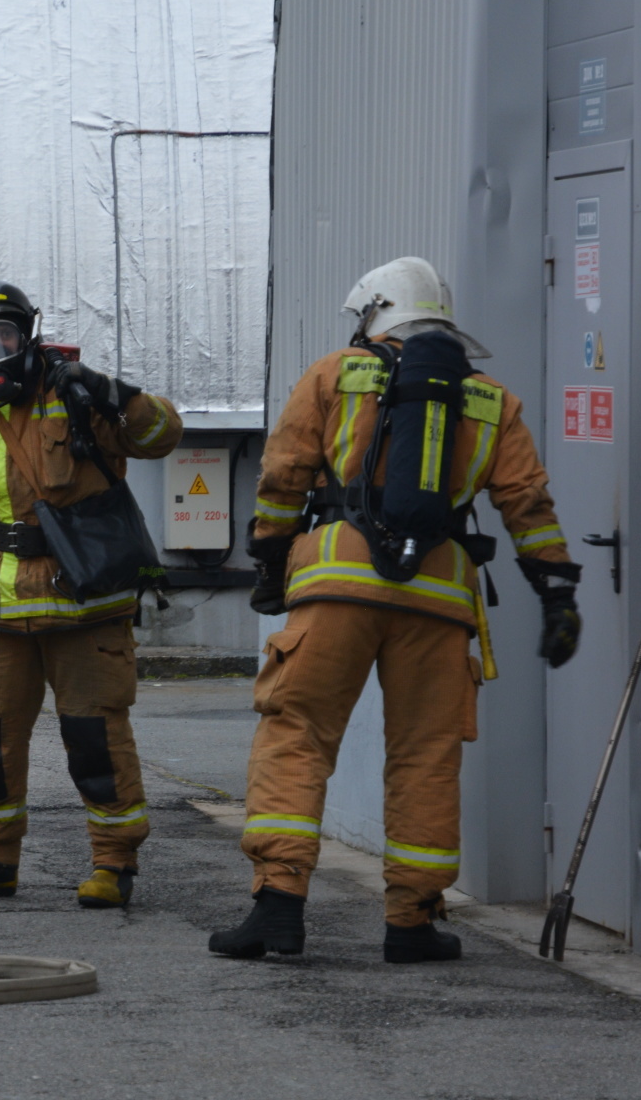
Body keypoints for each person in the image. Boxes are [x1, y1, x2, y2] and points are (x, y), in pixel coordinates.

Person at [212, 256, 580, 964]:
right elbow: (527, 506)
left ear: (376, 312)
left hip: (336, 586)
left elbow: (283, 477)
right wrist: (556, 591)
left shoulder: (334, 375)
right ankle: (411, 921)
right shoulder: (490, 401)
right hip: (439, 601)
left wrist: (268, 562)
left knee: (299, 734)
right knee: (424, 755)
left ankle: (278, 905)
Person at [0, 279, 183, 909]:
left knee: (95, 738)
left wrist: (116, 394)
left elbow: (162, 436)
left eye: (3, 334)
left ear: (27, 334)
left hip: (84, 606)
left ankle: (114, 863)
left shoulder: (77, 398)